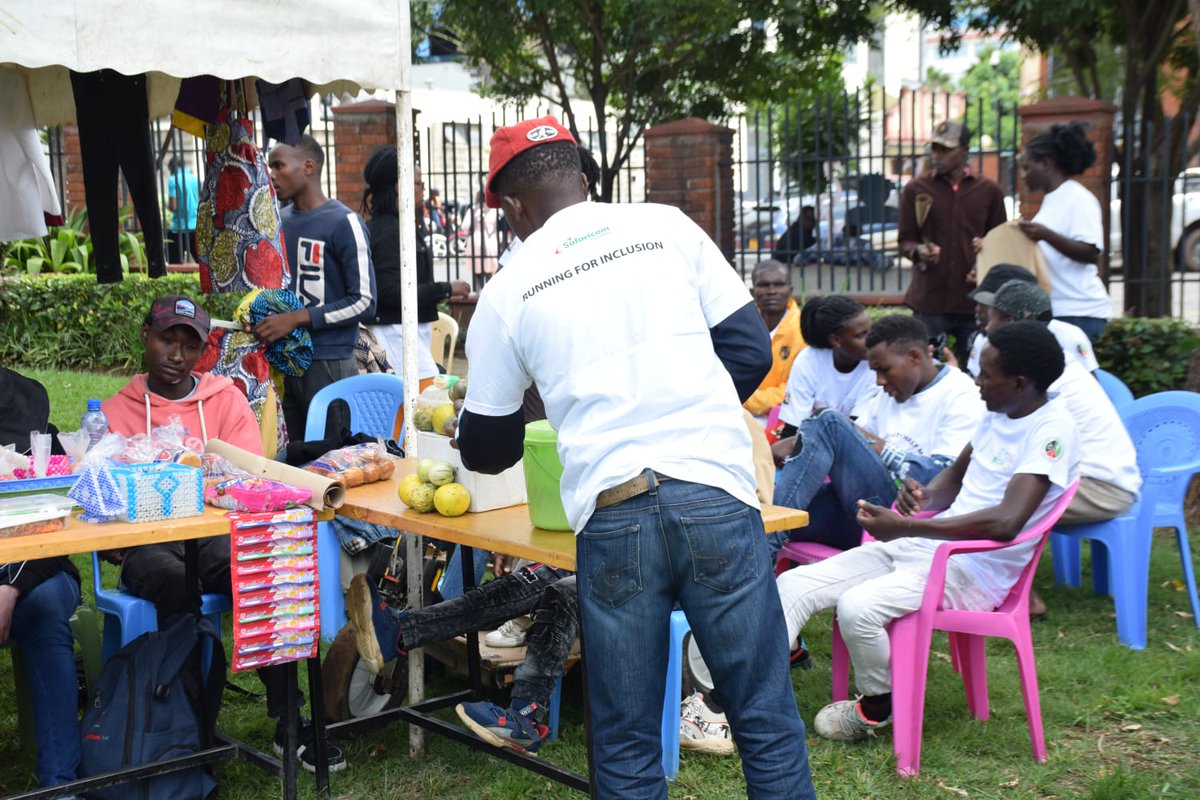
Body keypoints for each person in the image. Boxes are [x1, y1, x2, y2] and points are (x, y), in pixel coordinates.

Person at [453, 116, 815, 799]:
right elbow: (748, 350)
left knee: (624, 739)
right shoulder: (668, 226)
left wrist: (555, 402)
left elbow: (487, 447)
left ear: (510, 205)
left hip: (617, 516)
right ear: (584, 173)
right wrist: (690, 415)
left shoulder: (507, 290)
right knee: (764, 717)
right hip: (715, 492)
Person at [777, 321, 1079, 741]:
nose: (977, 383)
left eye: (986, 375)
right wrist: (919, 499)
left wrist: (905, 526)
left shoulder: (1051, 430)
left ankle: (877, 704)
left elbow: (1008, 522)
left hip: (973, 570)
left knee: (857, 607)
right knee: (793, 585)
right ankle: (748, 695)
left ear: (1021, 382)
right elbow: (951, 483)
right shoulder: (998, 413)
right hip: (927, 546)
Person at [104, 294, 345, 772]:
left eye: (188, 346)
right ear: (144, 337)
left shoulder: (225, 398)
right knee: (176, 586)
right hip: (146, 542)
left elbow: (252, 481)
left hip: (217, 533)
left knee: (263, 569)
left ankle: (289, 723)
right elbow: (103, 496)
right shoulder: (114, 411)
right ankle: (185, 728)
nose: (175, 355)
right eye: (164, 340)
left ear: (202, 352)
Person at [772, 314, 986, 553]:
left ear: (915, 356)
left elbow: (942, 477)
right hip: (856, 511)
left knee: (829, 420)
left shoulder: (961, 394)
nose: (879, 381)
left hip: (901, 518)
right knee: (754, 516)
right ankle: (764, 548)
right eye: (874, 371)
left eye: (884, 370)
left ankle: (768, 546)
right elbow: (854, 446)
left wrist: (868, 442)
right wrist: (799, 443)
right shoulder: (887, 394)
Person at [980, 280, 1140, 527]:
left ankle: (959, 559)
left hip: (1101, 489)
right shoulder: (1040, 365)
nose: (987, 327)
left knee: (985, 494)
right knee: (983, 483)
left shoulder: (1041, 379)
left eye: (992, 320)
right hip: (1074, 477)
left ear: (1010, 324)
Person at [258, 135, 377, 440]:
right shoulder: (278, 221)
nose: (271, 174)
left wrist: (298, 318)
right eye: (269, 166)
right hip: (284, 362)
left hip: (330, 363)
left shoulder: (343, 221)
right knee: (293, 460)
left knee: (333, 460)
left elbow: (364, 301)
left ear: (308, 166)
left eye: (279, 165)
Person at [0, 371, 81, 792]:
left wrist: (11, 584)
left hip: (34, 566)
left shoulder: (26, 407)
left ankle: (60, 784)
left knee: (46, 606)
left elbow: (53, 522)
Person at [898, 120, 1007, 362]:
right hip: (929, 299)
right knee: (927, 370)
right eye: (934, 148)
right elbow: (905, 240)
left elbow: (1000, 242)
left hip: (974, 301)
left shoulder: (989, 190)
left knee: (977, 371)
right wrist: (918, 251)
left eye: (945, 149)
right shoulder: (916, 189)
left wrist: (983, 266)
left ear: (965, 150)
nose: (937, 155)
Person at [361, 147, 470, 388]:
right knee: (415, 408)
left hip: (404, 335)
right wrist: (446, 288)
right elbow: (389, 291)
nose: (422, 190)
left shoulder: (396, 225)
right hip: (395, 336)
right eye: (418, 183)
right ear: (400, 186)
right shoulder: (390, 231)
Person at [1017, 122, 1110, 342]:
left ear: (1046, 163)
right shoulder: (1051, 200)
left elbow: (1091, 252)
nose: (1022, 176)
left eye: (1026, 167)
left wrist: (1045, 235)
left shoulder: (1078, 199)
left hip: (1080, 312)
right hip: (1058, 309)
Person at [771, 295, 875, 464]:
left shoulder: (875, 365)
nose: (871, 340)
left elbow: (859, 436)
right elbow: (793, 429)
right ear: (836, 340)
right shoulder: (808, 361)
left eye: (871, 331)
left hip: (857, 451)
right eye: (861, 335)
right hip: (811, 448)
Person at [965, 263, 1098, 377]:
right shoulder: (983, 340)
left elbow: (1090, 389)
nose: (978, 309)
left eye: (987, 306)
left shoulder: (1067, 336)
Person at [743, 260, 805, 426]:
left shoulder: (802, 330)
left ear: (790, 290)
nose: (771, 291)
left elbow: (796, 389)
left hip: (784, 420)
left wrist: (750, 401)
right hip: (740, 415)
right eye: (764, 285)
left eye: (778, 284)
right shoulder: (741, 327)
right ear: (752, 291)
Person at [463, 189, 500, 290]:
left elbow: (465, 226)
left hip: (475, 241)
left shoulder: (473, 209)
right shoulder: (493, 210)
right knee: (490, 272)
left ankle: (478, 296)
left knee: (477, 273)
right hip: (490, 241)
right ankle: (489, 293)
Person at [166, 155, 199, 264]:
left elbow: (173, 206)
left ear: (172, 168)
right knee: (202, 263)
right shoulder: (195, 179)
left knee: (174, 265)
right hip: (195, 227)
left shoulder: (173, 180)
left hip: (179, 229)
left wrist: (167, 206)